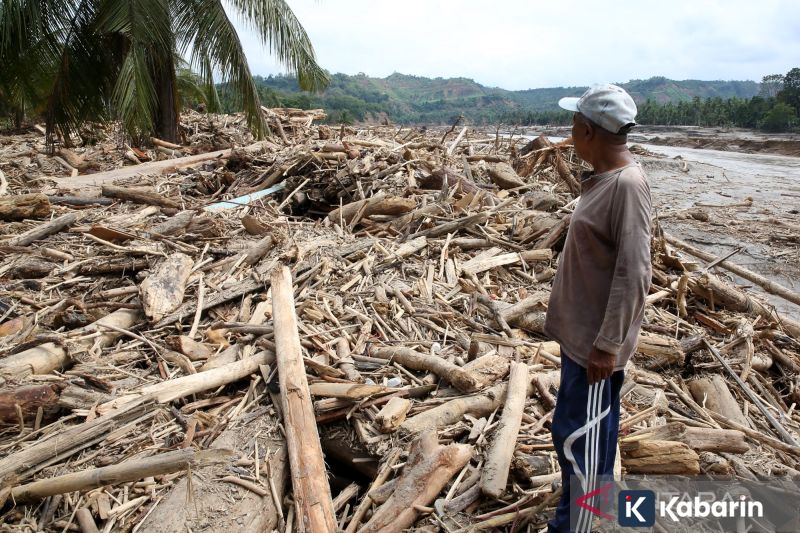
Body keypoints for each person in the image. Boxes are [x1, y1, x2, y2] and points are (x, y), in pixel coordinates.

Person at [544, 84, 652, 532]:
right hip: (583, 341)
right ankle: (583, 513)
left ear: (588, 130)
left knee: (580, 440)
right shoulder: (608, 180)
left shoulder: (627, 187)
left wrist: (607, 346)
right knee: (585, 433)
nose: (570, 133)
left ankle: (578, 526)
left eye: (573, 126)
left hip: (594, 349)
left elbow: (635, 273)